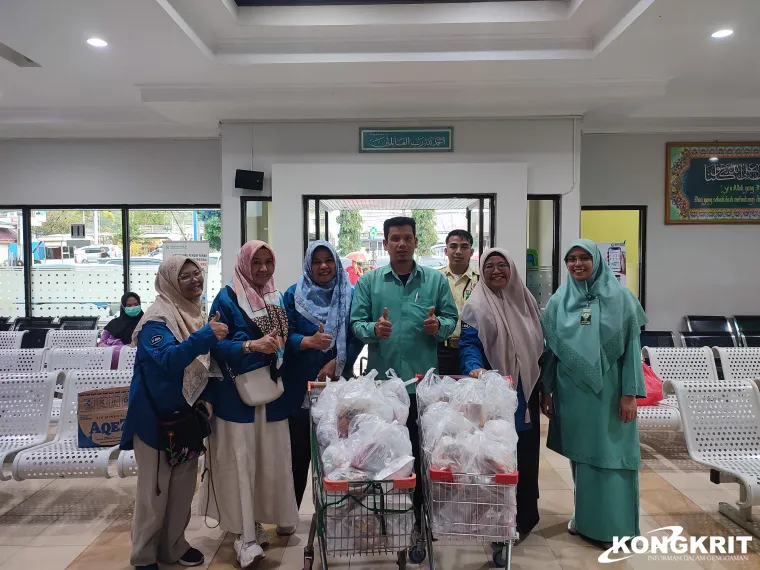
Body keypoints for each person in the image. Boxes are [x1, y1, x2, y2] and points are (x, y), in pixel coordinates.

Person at [350, 216, 458, 528]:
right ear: (385, 244)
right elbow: (356, 325)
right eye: (394, 238)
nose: (401, 244)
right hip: (383, 392)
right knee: (384, 457)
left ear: (415, 242)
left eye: (407, 238)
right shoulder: (370, 282)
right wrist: (374, 328)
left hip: (422, 389)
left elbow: (452, 319)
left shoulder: (435, 282)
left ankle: (419, 518)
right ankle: (386, 517)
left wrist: (440, 327)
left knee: (422, 455)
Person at [120, 256, 228, 570]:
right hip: (155, 421)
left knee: (182, 490)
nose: (195, 280)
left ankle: (173, 546)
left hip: (184, 418)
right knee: (154, 493)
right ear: (169, 281)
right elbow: (169, 359)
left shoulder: (193, 313)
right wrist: (207, 335)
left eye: (198, 274)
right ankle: (143, 555)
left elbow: (203, 365)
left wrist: (205, 397)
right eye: (186, 277)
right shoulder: (158, 318)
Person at [539, 239, 647, 548]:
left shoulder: (623, 299)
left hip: (611, 394)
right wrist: (546, 390)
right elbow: (551, 353)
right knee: (583, 461)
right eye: (571, 259)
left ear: (597, 261)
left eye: (584, 258)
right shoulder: (560, 301)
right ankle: (585, 521)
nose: (577, 264)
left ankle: (617, 527)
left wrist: (629, 394)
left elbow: (631, 351)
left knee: (614, 457)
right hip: (573, 395)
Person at [200, 240, 299, 569]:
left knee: (269, 462)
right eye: (256, 262)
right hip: (235, 399)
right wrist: (250, 346)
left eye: (268, 261)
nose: (263, 269)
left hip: (270, 396)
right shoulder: (227, 298)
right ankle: (245, 535)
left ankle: (263, 519)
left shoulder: (276, 298)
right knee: (240, 466)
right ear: (243, 262)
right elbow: (215, 344)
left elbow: (288, 338)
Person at [459, 248, 544, 545]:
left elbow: (540, 348)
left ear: (512, 269)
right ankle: (496, 519)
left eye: (502, 265)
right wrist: (475, 369)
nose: (496, 271)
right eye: (490, 266)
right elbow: (469, 343)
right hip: (495, 390)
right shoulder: (476, 306)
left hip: (526, 390)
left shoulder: (527, 302)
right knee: (497, 457)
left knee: (527, 454)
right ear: (482, 271)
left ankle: (525, 517)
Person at [283, 240, 362, 508]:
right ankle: (290, 513)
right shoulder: (293, 295)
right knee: (298, 454)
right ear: (308, 264)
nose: (323, 266)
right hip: (299, 387)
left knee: (338, 453)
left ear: (336, 263)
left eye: (328, 260)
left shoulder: (349, 294)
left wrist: (337, 363)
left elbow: (355, 337)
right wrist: (306, 341)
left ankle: (338, 512)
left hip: (338, 386)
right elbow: (285, 334)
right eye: (316, 261)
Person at [438, 229, 479, 375]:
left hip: (474, 350)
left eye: (464, 247)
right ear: (446, 251)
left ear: (471, 251)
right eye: (453, 246)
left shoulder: (481, 280)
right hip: (442, 350)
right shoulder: (435, 279)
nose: (458, 251)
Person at [100, 292, 143, 367]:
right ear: (123, 307)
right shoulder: (114, 324)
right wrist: (113, 350)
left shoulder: (146, 323)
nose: (133, 307)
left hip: (140, 364)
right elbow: (101, 343)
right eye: (129, 305)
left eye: (136, 304)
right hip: (114, 365)